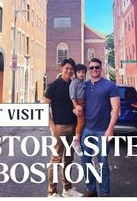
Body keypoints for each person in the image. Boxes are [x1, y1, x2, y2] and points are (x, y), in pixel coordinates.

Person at [80, 58, 120, 197]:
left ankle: (104, 193)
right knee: (86, 162)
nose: (94, 70)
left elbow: (116, 109)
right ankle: (91, 190)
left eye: (96, 67)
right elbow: (78, 104)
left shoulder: (109, 86)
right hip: (86, 130)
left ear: (101, 68)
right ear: (88, 70)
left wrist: (110, 129)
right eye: (91, 68)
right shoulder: (84, 86)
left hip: (102, 131)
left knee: (102, 163)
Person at [44, 58, 83, 198]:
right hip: (59, 128)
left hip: (72, 127)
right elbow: (44, 106)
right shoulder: (54, 85)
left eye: (71, 69)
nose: (69, 71)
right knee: (55, 159)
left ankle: (67, 189)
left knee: (68, 159)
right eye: (67, 68)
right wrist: (52, 125)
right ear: (62, 68)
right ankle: (52, 192)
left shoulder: (74, 84)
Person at [69, 63, 87, 157]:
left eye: (83, 72)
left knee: (84, 122)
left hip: (84, 103)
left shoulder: (83, 82)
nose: (81, 74)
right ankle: (76, 142)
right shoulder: (74, 83)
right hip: (78, 104)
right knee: (81, 122)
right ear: (75, 73)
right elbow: (72, 96)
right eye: (79, 72)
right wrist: (76, 106)